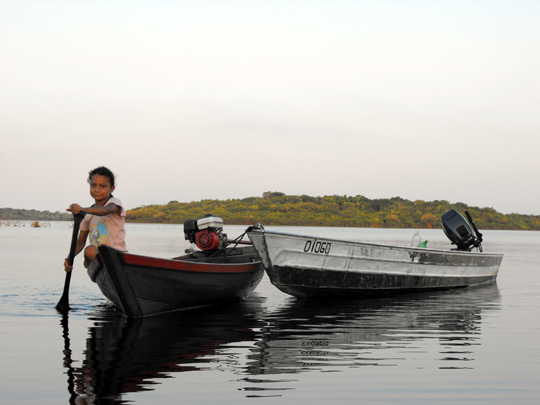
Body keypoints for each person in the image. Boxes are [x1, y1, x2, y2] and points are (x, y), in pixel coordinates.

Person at [64, 166, 127, 272]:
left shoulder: (114, 203)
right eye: (93, 185)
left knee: (90, 250)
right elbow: (80, 242)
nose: (97, 189)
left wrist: (82, 210)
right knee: (89, 251)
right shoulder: (88, 216)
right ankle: (100, 269)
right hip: (100, 259)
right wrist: (69, 257)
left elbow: (106, 210)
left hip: (117, 257)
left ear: (111, 189)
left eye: (102, 186)